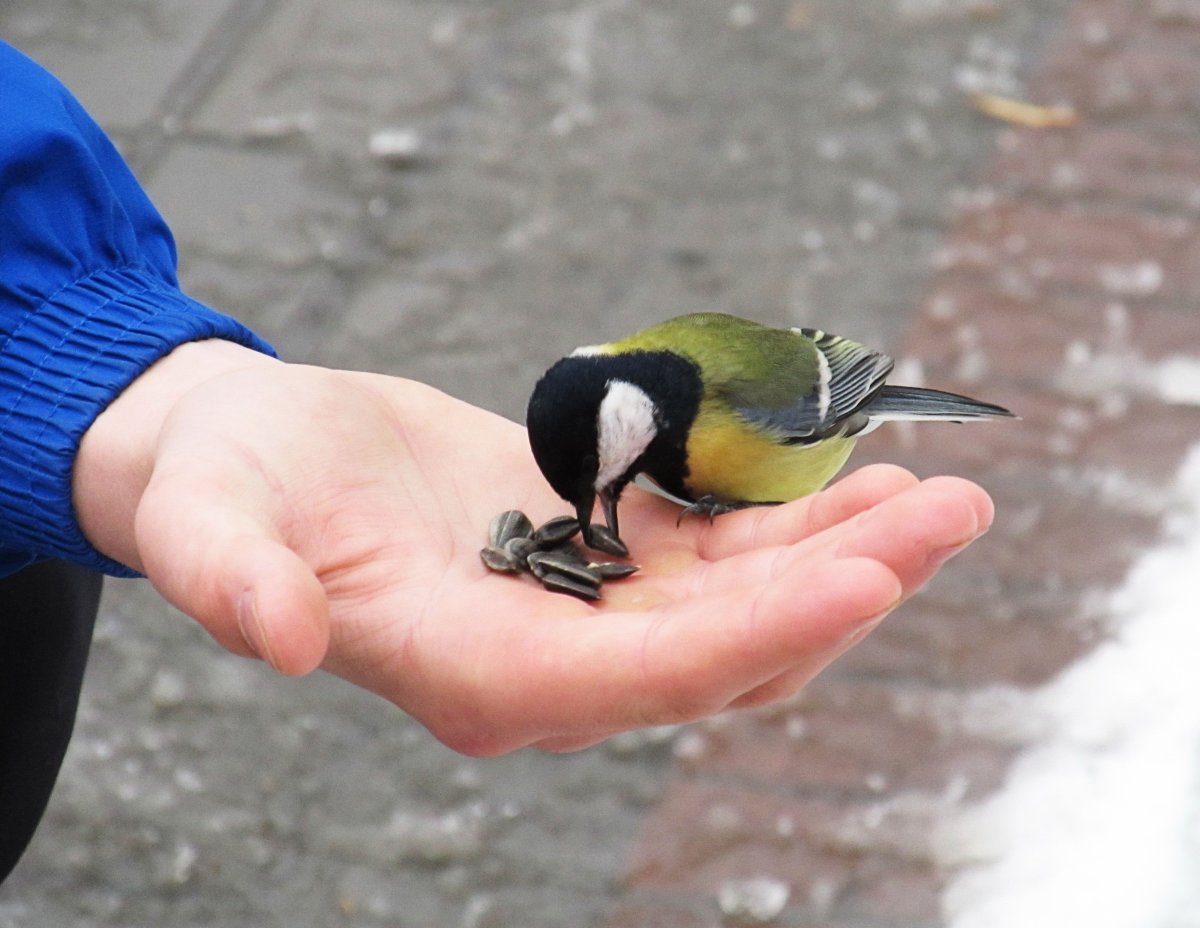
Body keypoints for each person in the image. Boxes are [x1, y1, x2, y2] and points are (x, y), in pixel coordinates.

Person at [0, 40, 995, 883]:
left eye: (604, 485)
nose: (602, 506)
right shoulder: (634, 392)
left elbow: (837, 374)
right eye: (600, 490)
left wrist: (114, 377)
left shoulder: (740, 400)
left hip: (814, 423)